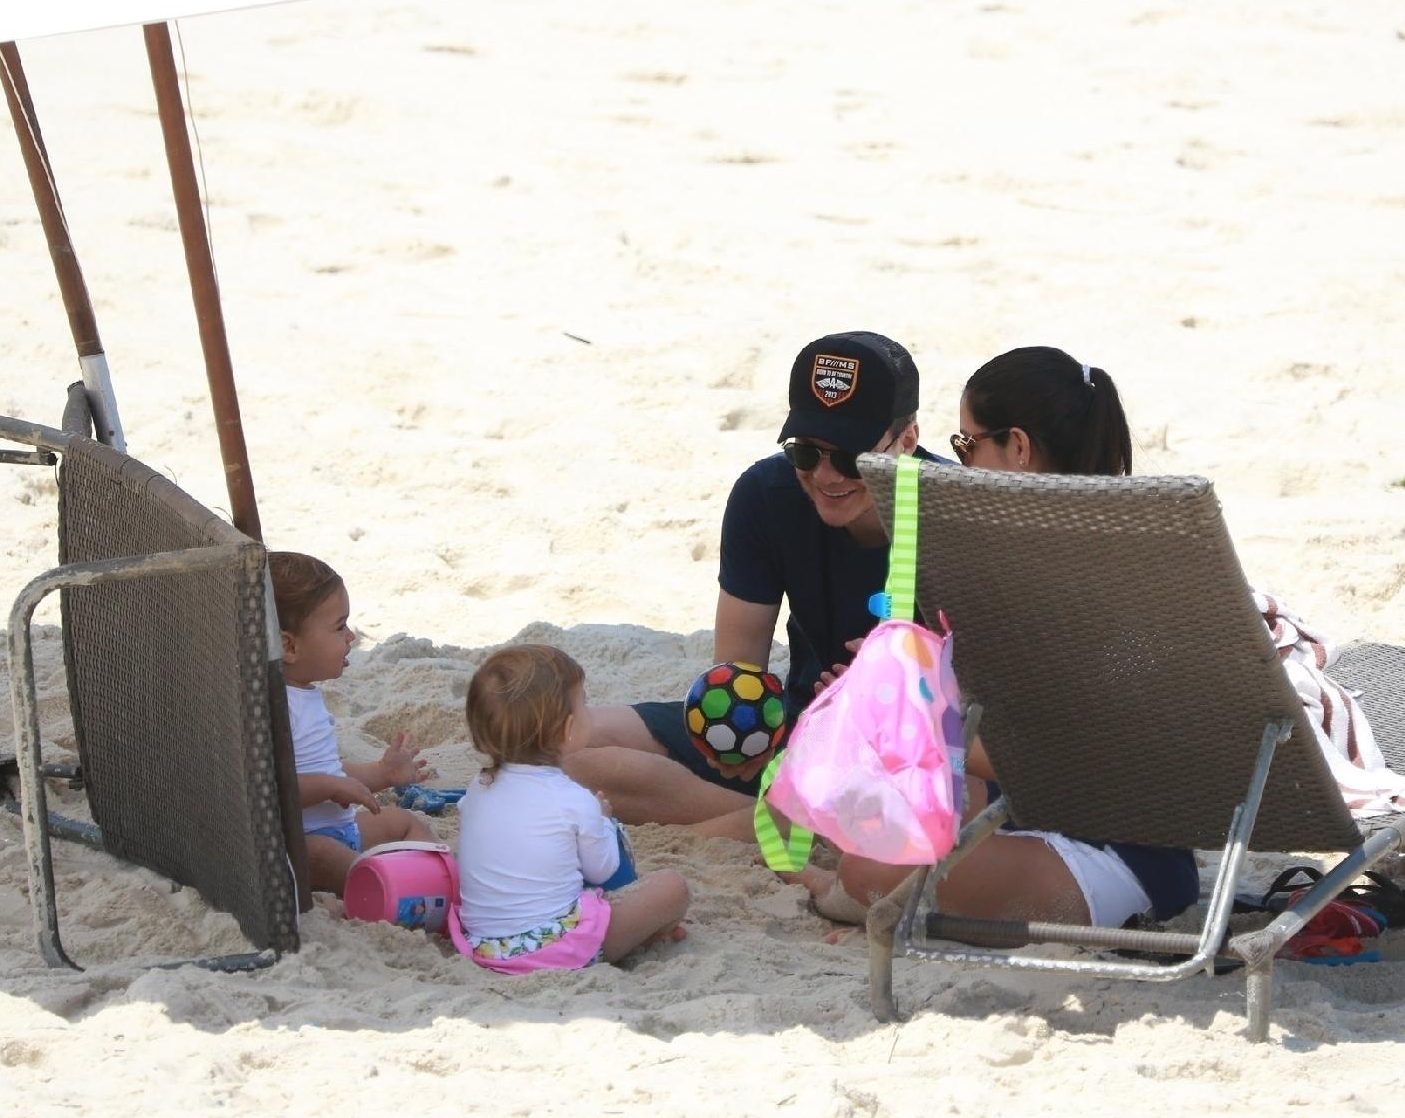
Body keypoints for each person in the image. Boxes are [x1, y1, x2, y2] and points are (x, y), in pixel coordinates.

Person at [804, 347, 1201, 932]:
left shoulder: (1065, 583)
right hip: (1037, 816)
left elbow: (1033, 755)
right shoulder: (1109, 554)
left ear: (1017, 447)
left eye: (966, 445)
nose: (959, 463)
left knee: (869, 869)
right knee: (864, 800)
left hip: (1113, 859)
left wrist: (894, 710)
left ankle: (827, 889)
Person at [565, 332, 936, 834]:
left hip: (906, 754)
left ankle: (771, 819)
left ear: (907, 442)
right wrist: (742, 730)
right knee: (568, 747)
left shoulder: (954, 514)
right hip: (797, 727)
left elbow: (980, 709)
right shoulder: (767, 493)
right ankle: (777, 819)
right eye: (806, 451)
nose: (826, 475)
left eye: (850, 457)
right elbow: (737, 671)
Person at [452, 644, 690, 970]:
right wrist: (603, 821)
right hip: (554, 949)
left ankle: (636, 932)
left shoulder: (477, 788)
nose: (590, 712)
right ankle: (640, 935)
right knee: (672, 888)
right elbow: (604, 872)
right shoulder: (576, 800)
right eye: (585, 705)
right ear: (566, 730)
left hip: (483, 946)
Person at [268, 551, 434, 896]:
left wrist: (382, 773)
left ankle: (431, 878)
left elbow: (331, 768)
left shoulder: (305, 694)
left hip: (345, 830)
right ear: (288, 645)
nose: (352, 637)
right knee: (322, 857)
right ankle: (389, 893)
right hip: (305, 843)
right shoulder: (276, 707)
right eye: (339, 626)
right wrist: (329, 787)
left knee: (404, 822)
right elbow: (268, 790)